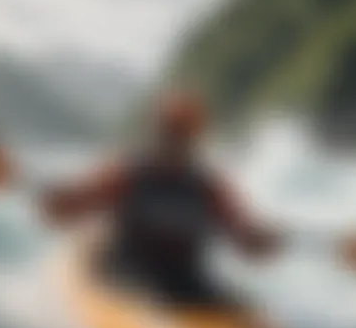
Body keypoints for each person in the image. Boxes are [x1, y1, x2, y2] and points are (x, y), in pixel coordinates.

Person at [42, 91, 283, 311]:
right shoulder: (127, 173)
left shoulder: (209, 187)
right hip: (125, 270)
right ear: (158, 131)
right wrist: (62, 201)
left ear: (195, 138)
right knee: (146, 294)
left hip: (181, 278)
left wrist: (263, 239)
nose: (175, 141)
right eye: (171, 132)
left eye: (182, 134)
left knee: (238, 306)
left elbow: (245, 239)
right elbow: (70, 209)